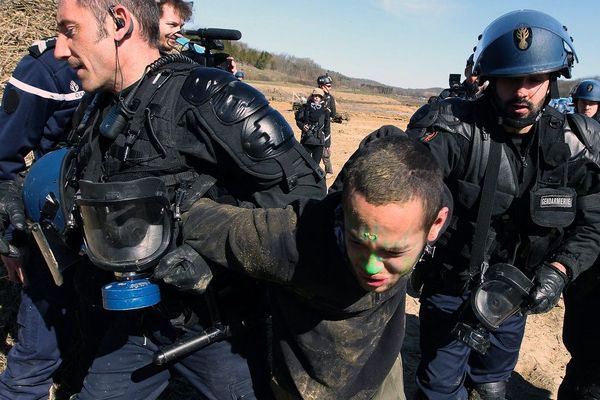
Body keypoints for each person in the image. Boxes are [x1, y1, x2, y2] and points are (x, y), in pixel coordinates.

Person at [17, 1, 323, 399]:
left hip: (217, 330)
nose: (59, 48)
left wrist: (210, 255)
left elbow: (307, 199)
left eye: (69, 30)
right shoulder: (99, 107)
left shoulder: (212, 98)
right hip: (134, 323)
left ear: (119, 22)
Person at [403, 10, 600, 400]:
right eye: (511, 79)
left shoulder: (578, 146)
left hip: (517, 293)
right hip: (450, 286)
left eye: (534, 79)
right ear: (492, 78)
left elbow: (593, 223)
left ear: (553, 81)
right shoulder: (451, 131)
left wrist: (560, 270)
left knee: (493, 384)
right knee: (440, 389)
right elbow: (400, 196)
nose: (522, 91)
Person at [167, 134, 449, 399]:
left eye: (392, 252)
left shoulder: (424, 202)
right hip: (307, 389)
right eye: (357, 242)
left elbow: (388, 136)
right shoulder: (291, 240)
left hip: (381, 374)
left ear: (435, 225)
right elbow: (204, 224)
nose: (373, 267)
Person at [0, 37, 92, 399]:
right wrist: (11, 238)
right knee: (40, 344)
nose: (172, 35)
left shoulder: (157, 73)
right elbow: (4, 160)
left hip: (114, 238)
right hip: (55, 222)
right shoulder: (50, 68)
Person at [558, 77, 600, 400]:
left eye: (592, 103)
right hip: (584, 249)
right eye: (582, 103)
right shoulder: (571, 133)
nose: (586, 107)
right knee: (580, 337)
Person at [295, 88, 330, 173]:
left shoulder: (325, 111)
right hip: (306, 140)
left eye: (319, 96)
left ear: (322, 98)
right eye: (315, 96)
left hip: (319, 142)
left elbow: (327, 128)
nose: (316, 97)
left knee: (315, 166)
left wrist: (327, 145)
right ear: (312, 96)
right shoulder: (305, 108)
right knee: (303, 163)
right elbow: (298, 120)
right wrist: (303, 127)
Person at [317, 73, 338, 176]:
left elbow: (333, 114)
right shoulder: (314, 96)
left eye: (330, 85)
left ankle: (329, 171)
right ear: (322, 86)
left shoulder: (330, 99)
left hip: (325, 128)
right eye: (328, 86)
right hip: (314, 127)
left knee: (325, 150)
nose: (330, 88)